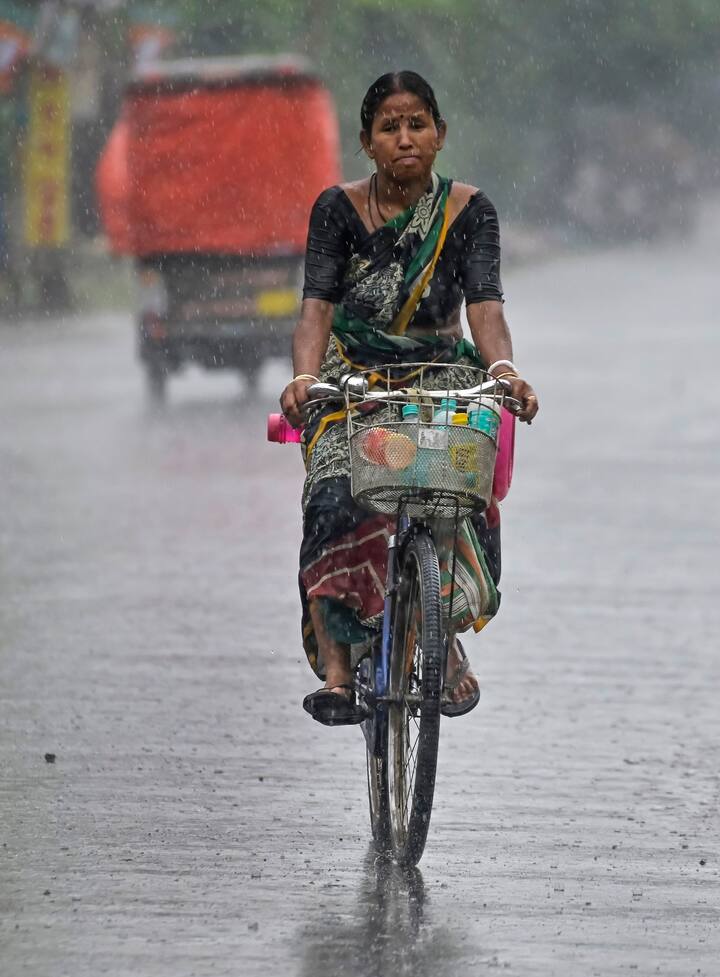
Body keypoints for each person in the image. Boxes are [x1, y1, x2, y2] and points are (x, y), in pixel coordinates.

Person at [280, 70, 539, 725]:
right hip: (352, 382)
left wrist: (503, 368)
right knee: (336, 494)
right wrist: (304, 378)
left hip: (440, 377)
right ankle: (340, 672)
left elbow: (485, 306)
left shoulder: (469, 212)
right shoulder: (336, 210)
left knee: (459, 491)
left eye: (417, 124)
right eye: (389, 127)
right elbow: (315, 309)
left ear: (440, 134)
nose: (405, 138)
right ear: (367, 141)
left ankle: (442, 640)